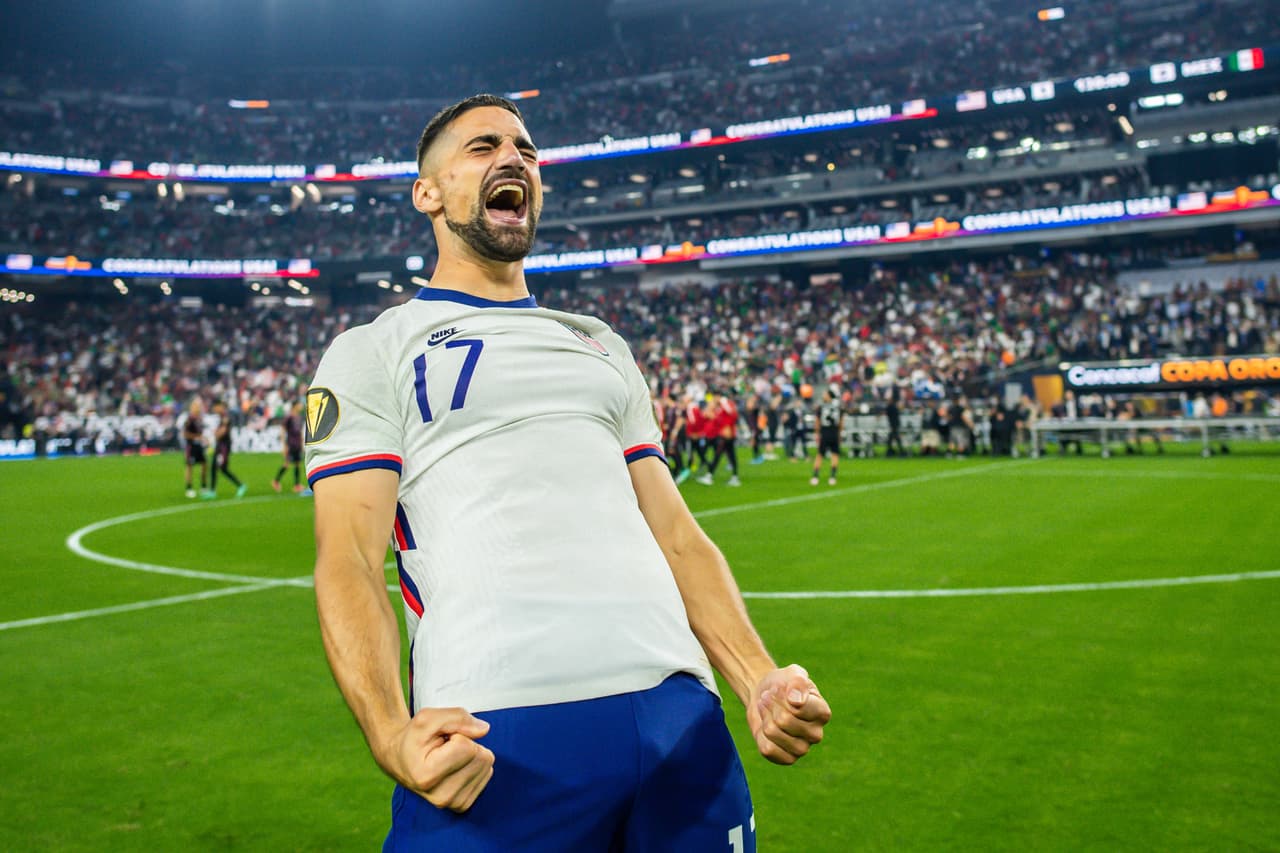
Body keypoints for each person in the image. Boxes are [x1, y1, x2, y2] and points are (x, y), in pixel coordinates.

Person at [306, 95, 831, 852]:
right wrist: (390, 732)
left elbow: (677, 537)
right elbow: (349, 560)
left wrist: (758, 678)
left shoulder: (602, 344)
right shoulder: (375, 349)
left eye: (524, 148)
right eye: (482, 147)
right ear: (428, 192)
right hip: (497, 733)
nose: (513, 158)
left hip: (680, 720)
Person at [209, 400, 247, 498]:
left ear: (219, 406)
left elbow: (223, 431)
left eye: (215, 407)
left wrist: (216, 433)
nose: (214, 410)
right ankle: (212, 491)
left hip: (224, 447)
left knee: (222, 468)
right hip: (220, 445)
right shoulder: (221, 417)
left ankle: (241, 485)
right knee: (214, 466)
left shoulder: (226, 416)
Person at [705, 388, 742, 486]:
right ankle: (734, 477)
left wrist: (728, 426)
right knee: (730, 454)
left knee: (719, 454)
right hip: (725, 433)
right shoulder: (721, 405)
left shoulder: (724, 403)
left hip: (727, 434)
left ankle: (709, 476)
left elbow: (733, 414)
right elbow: (721, 419)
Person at [810, 386, 843, 486]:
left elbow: (817, 422)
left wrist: (816, 433)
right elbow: (841, 422)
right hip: (834, 432)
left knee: (820, 455)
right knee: (835, 454)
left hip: (825, 432)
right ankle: (832, 477)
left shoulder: (821, 407)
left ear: (829, 396)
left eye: (825, 394)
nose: (823, 396)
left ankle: (815, 476)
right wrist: (839, 433)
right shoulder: (838, 407)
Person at [273, 401, 305, 494]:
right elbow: (283, 430)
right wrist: (284, 446)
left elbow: (299, 432)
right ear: (295, 406)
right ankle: (276, 481)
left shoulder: (299, 417)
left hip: (297, 444)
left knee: (298, 464)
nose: (301, 406)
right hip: (291, 444)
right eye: (299, 405)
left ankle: (297, 485)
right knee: (287, 464)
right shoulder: (289, 417)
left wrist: (302, 444)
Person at [181, 398, 210, 499]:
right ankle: (189, 488)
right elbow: (185, 434)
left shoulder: (199, 420)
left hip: (199, 446)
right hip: (191, 446)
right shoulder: (189, 420)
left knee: (205, 465)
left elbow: (200, 434)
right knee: (189, 467)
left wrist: (204, 439)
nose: (199, 408)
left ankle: (203, 487)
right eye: (197, 406)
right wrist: (198, 437)